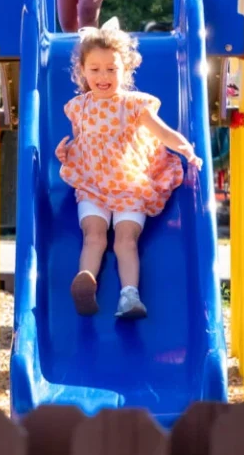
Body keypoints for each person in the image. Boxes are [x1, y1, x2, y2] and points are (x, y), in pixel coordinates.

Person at [55, 22, 201, 319]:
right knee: (93, 235)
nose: (103, 76)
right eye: (94, 69)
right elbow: (84, 142)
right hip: (93, 183)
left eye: (111, 69)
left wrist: (186, 149)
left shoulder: (134, 105)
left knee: (126, 239)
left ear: (126, 69)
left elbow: (163, 133)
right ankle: (86, 281)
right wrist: (68, 152)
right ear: (82, 70)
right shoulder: (78, 107)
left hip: (130, 183)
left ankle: (129, 295)